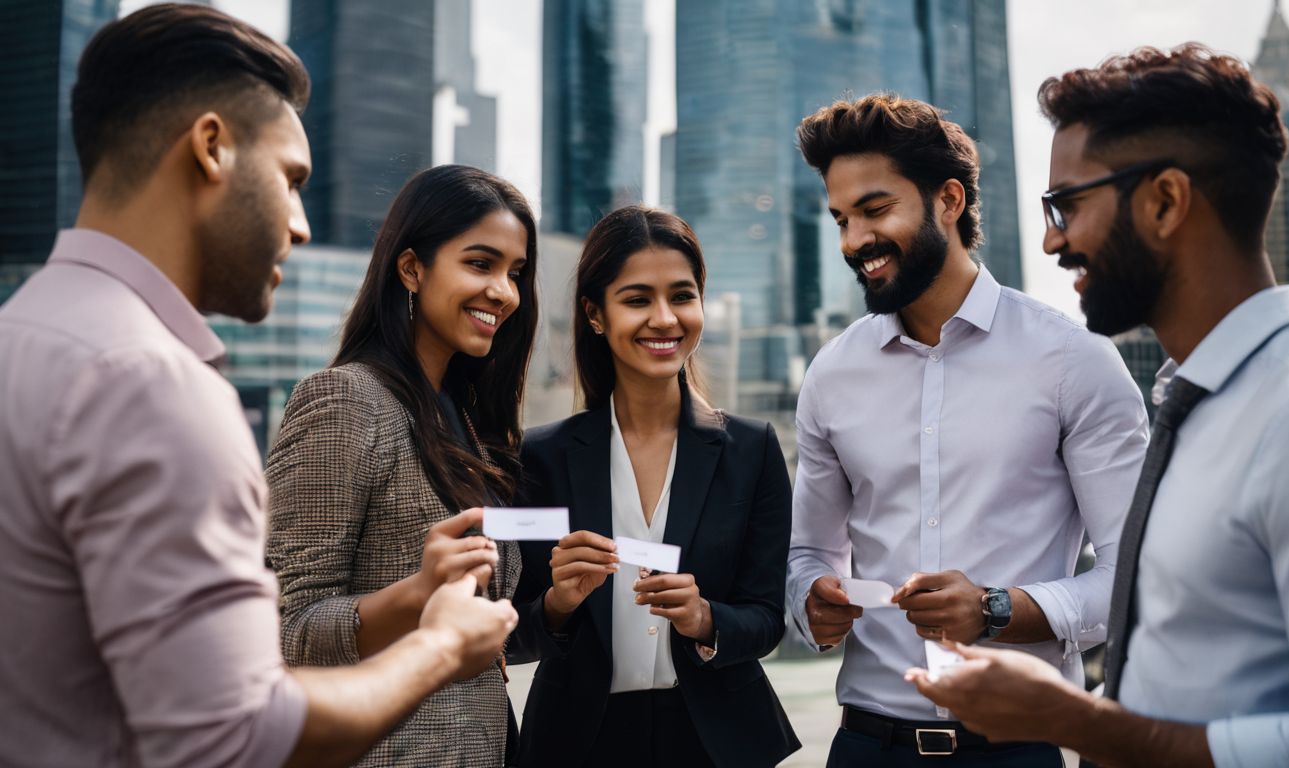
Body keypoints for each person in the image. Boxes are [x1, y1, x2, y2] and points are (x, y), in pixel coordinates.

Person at [0, 6, 517, 768]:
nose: (301, 224)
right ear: (211, 147)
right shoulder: (151, 383)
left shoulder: (24, 336)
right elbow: (236, 737)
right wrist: (439, 645)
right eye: (291, 179)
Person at [907, 44, 1289, 768]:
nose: (1052, 239)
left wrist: (1076, 721)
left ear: (1165, 201)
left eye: (1067, 205)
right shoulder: (1192, 402)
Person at [787, 93, 1150, 766]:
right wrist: (812, 601)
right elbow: (808, 554)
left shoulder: (1074, 362)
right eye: (840, 218)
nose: (852, 241)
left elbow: (1138, 576)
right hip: (865, 744)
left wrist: (996, 609)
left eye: (874, 209)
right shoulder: (831, 374)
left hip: (1018, 746)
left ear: (949, 201)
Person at [264, 164, 538, 767]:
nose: (504, 292)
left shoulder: (467, 422)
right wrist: (417, 595)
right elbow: (283, 631)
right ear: (412, 268)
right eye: (480, 263)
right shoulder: (343, 401)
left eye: (515, 273)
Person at [507, 205, 800, 767]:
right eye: (638, 299)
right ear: (595, 314)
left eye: (682, 296)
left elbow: (766, 618)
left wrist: (705, 618)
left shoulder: (752, 449)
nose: (664, 318)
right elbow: (509, 634)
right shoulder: (540, 456)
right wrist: (559, 603)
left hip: (715, 740)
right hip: (577, 742)